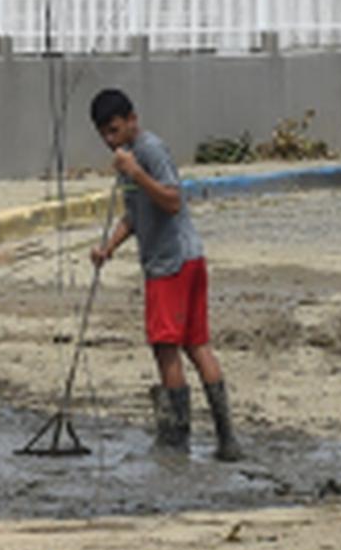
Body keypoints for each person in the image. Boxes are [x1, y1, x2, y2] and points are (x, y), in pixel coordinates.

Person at [86, 88, 245, 462]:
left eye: (114, 130)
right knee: (195, 344)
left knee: (166, 347)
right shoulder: (129, 161)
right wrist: (108, 248)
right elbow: (134, 216)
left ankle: (176, 439)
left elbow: (173, 201)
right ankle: (227, 441)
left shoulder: (149, 152)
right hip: (187, 257)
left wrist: (137, 172)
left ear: (132, 121)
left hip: (171, 264)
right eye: (104, 135)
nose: (111, 141)